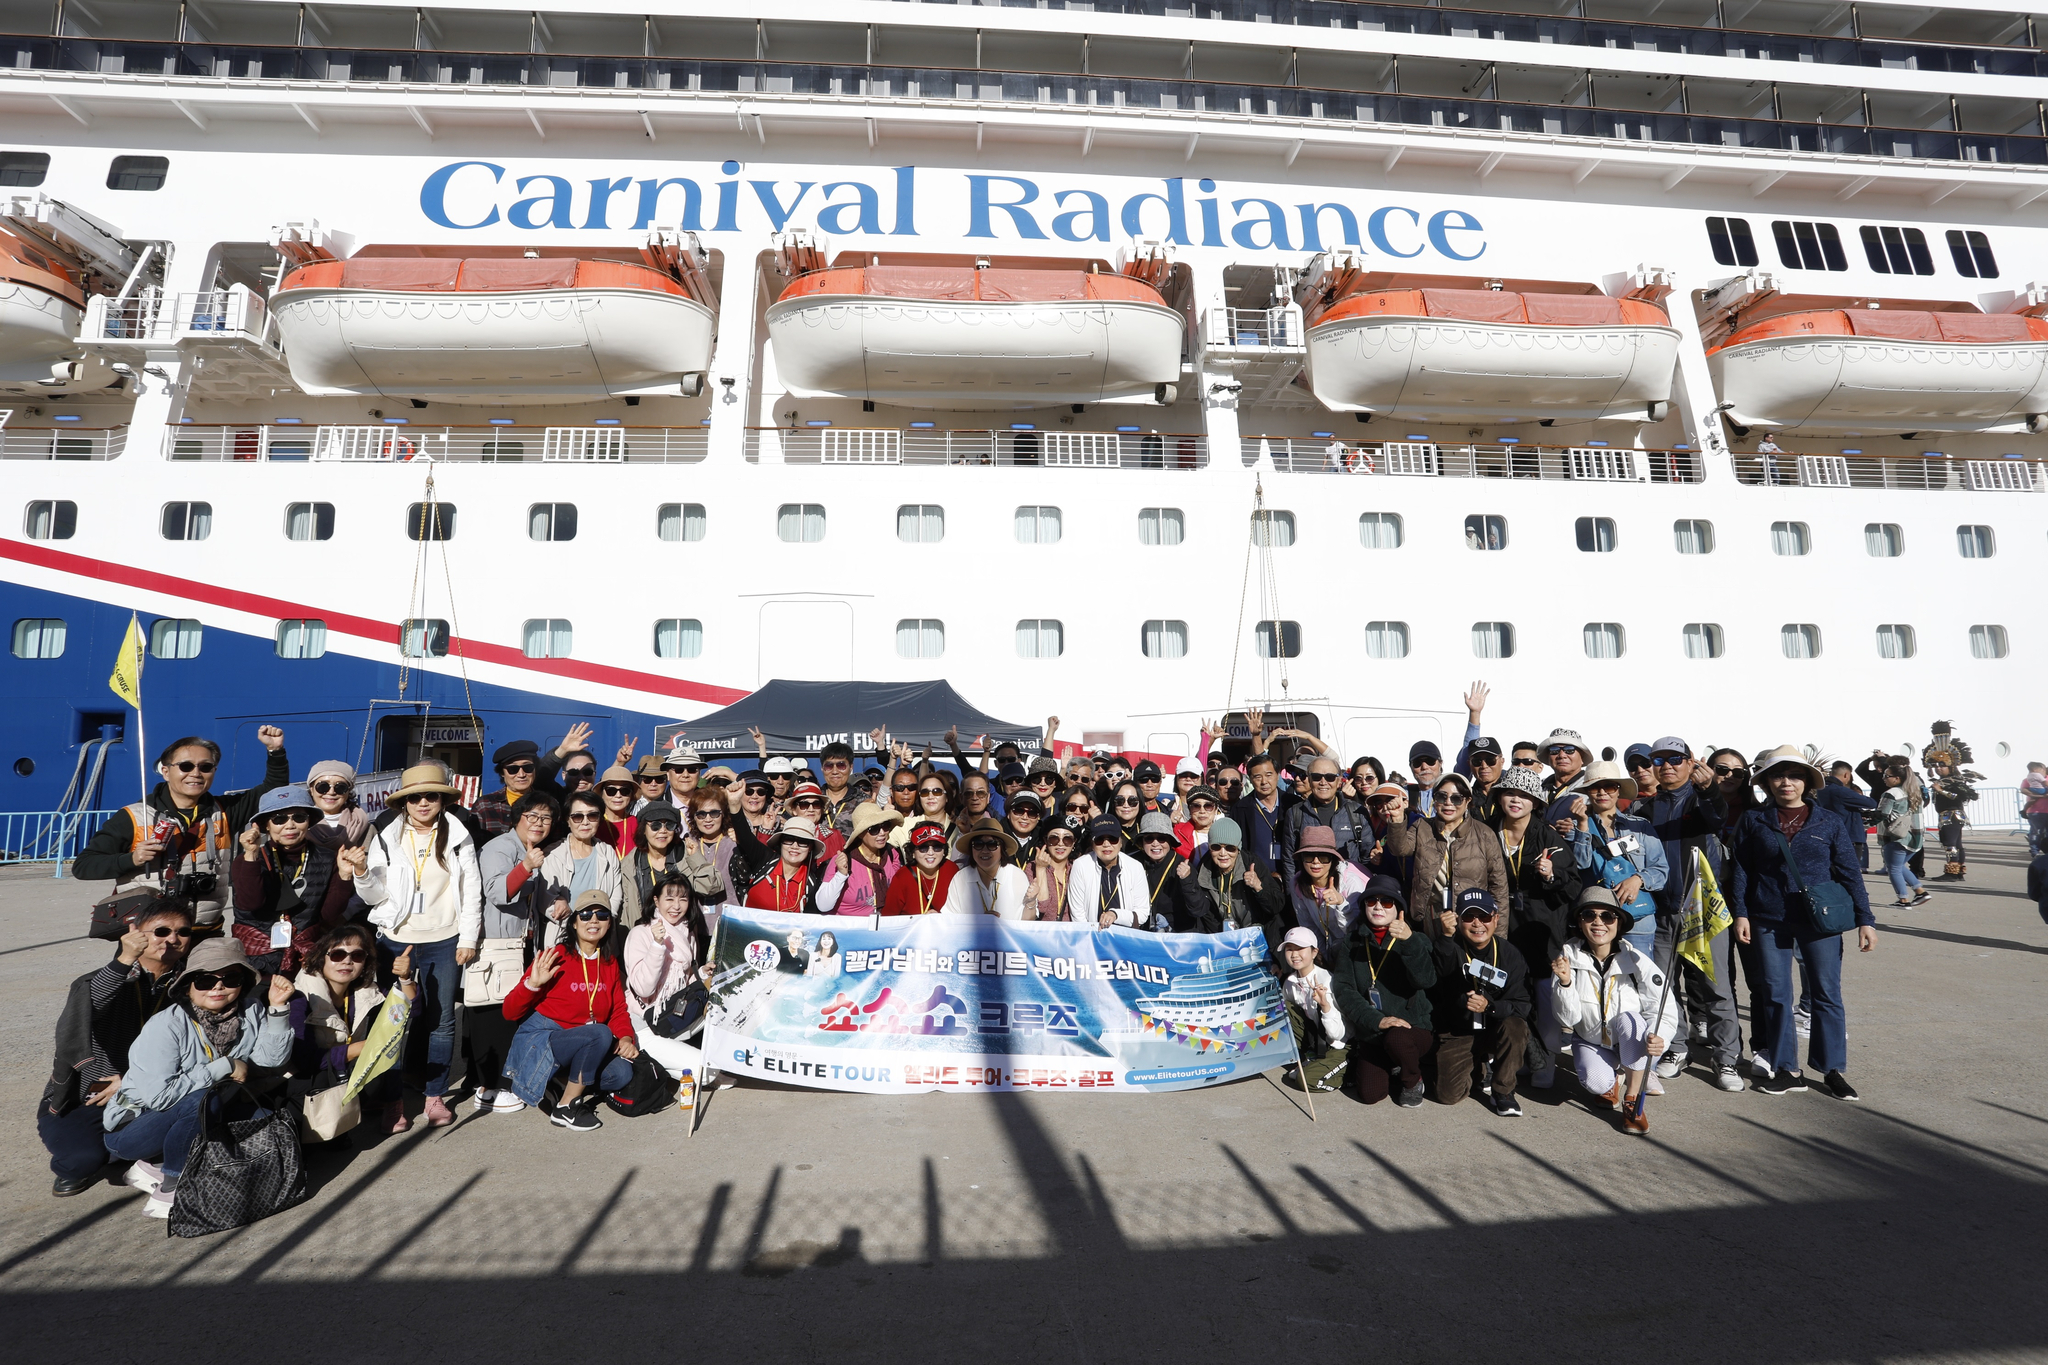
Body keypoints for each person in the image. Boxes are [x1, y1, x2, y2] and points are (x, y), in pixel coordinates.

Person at [102, 936, 295, 1217]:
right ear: (187, 985)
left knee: (266, 1120)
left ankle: (151, 1165)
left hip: (206, 1108)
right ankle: (171, 1186)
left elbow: (271, 1060)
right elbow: (160, 1097)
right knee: (202, 1100)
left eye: (230, 978)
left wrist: (277, 1008)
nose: (218, 987)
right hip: (134, 1129)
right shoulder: (166, 1025)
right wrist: (224, 1066)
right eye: (205, 980)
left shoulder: (251, 1010)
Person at [1724, 745, 1876, 1100]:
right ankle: (1786, 1068)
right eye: (1778, 775)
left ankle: (1832, 1068)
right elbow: (1744, 869)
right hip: (1768, 918)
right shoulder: (1754, 820)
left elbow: (1850, 872)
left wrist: (1866, 919)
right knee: (1775, 994)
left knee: (1826, 994)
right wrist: (1742, 913)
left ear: (1807, 781)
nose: (1785, 782)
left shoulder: (1829, 821)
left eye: (1793, 775)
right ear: (1767, 782)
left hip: (1818, 919)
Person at [356, 763, 484, 1128]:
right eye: (415, 797)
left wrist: (468, 937)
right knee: (395, 1023)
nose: (423, 802)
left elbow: (471, 890)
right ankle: (393, 1102)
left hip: (445, 940)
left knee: (441, 1022)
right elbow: (374, 894)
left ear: (443, 799)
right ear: (404, 803)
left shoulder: (458, 835)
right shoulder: (386, 836)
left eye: (432, 795)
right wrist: (363, 873)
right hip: (396, 941)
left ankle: (434, 1095)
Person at [39, 904, 193, 1196]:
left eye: (182, 932)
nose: (171, 939)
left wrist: (133, 1079)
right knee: (81, 1161)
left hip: (156, 1090)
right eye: (161, 931)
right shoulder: (110, 978)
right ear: (136, 933)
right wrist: (124, 959)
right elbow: (87, 1008)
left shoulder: (192, 984)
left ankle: (132, 1147)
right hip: (92, 1094)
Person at [74, 728, 291, 926]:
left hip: (205, 930)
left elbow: (272, 790)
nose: (195, 773)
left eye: (205, 767)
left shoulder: (225, 811)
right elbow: (83, 866)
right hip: (150, 935)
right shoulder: (133, 816)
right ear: (166, 771)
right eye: (185, 766)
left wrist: (275, 750)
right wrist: (132, 859)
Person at [1630, 738, 1743, 1093]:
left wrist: (1709, 788)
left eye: (1675, 759)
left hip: (1703, 911)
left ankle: (1727, 1059)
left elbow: (1717, 816)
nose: (1666, 766)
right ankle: (1676, 1049)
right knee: (1663, 989)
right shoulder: (1646, 809)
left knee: (1717, 989)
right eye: (1658, 759)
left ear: (1690, 761)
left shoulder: (1702, 799)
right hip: (1662, 912)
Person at [502, 889, 641, 1132]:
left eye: (602, 915)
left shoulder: (608, 962)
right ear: (574, 922)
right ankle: (566, 1106)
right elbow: (509, 1012)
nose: (594, 920)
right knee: (600, 1033)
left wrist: (627, 1037)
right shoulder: (556, 956)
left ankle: (557, 1083)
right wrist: (532, 985)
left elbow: (618, 1008)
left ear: (610, 923)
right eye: (586, 914)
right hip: (545, 1037)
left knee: (621, 1074)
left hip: (585, 1043)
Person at [1550, 886, 1679, 1134]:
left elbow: (1662, 1006)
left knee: (1632, 1020)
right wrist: (1565, 983)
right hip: (1590, 1040)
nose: (1598, 922)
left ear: (1618, 923)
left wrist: (1658, 1035)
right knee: (1596, 1084)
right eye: (1589, 915)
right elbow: (1568, 1019)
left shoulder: (1636, 960)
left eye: (1607, 916)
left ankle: (1632, 1101)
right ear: (1580, 921)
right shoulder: (1567, 958)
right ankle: (1613, 1079)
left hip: (1627, 1039)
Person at [286, 923, 416, 1142]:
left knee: (390, 1037)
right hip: (302, 1080)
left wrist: (405, 978)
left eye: (357, 955)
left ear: (365, 962)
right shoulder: (300, 996)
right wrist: (357, 1049)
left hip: (336, 1072)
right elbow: (303, 1060)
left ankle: (384, 1103)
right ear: (321, 958)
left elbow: (409, 1011)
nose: (347, 961)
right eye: (337, 954)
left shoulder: (364, 991)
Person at [473, 793, 560, 1115]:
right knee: (491, 1014)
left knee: (511, 1011)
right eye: (532, 816)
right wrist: (525, 867)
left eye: (546, 818)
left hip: (520, 944)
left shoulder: (530, 850)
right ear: (517, 818)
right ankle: (488, 1088)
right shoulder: (500, 848)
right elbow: (496, 892)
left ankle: (498, 1083)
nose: (539, 823)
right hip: (496, 943)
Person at [228, 785, 359, 976]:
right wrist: (250, 855)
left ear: (309, 821)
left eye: (299, 817)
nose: (290, 825)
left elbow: (328, 916)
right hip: (256, 958)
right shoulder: (248, 859)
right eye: (279, 819)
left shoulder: (327, 858)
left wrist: (345, 875)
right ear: (266, 825)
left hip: (305, 957)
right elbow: (250, 903)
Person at [1327, 876, 1435, 1107]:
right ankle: (1397, 1065)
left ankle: (1412, 1079)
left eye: (1387, 902)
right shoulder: (1352, 941)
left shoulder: (1417, 940)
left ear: (1398, 909)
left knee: (1397, 1038)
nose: (1378, 906)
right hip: (1374, 1031)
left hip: (1411, 1028)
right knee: (1370, 1094)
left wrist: (1408, 942)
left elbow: (1426, 980)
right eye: (1371, 901)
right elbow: (1344, 988)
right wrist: (1377, 1020)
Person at [1426, 889, 1531, 1116]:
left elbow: (1521, 1005)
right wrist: (1444, 937)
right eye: (1468, 917)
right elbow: (1441, 971)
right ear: (1457, 920)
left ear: (1496, 918)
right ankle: (1478, 1067)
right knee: (1448, 1096)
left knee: (1516, 1026)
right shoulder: (1448, 946)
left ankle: (1503, 1091)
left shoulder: (1510, 954)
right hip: (1458, 1031)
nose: (1477, 924)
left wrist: (1490, 1007)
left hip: (1494, 1026)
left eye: (1484, 917)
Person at [1559, 761, 1666, 958]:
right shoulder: (1572, 829)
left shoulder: (1641, 827)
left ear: (1618, 791)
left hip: (1637, 918)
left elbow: (1660, 870)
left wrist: (1638, 879)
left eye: (1608, 786)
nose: (1602, 792)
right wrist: (1583, 825)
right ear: (1588, 792)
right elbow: (1581, 865)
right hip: (1595, 921)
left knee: (1639, 980)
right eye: (1595, 787)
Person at [1381, 773, 1510, 930]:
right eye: (1442, 797)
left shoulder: (1484, 833)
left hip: (1470, 917)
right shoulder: (1422, 826)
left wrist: (1498, 935)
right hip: (1432, 914)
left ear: (1468, 801)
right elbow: (1399, 849)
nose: (1448, 803)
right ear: (1435, 799)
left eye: (1457, 798)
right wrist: (1397, 819)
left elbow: (1499, 888)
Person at [623, 875, 710, 1099]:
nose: (676, 906)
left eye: (683, 899)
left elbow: (684, 981)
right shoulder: (640, 933)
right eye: (669, 899)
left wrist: (701, 974)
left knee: (715, 1060)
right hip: (645, 1023)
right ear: (656, 901)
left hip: (673, 1020)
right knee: (708, 1070)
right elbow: (643, 989)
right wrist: (657, 945)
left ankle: (660, 1067)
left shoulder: (686, 932)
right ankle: (649, 1063)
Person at [536, 790, 625, 949]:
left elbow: (615, 894)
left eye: (592, 816)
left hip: (602, 940)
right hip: (562, 938)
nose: (585, 822)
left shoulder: (608, 852)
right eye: (577, 816)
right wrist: (578, 925)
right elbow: (545, 900)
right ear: (567, 821)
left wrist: (601, 924)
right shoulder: (553, 854)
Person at [1184, 817, 1285, 946]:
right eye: (1216, 847)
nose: (1222, 853)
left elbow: (1276, 906)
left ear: (1238, 848)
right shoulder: (1204, 871)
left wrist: (1259, 887)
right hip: (1224, 942)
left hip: (1258, 938)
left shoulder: (1252, 864)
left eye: (1230, 848)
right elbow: (1203, 915)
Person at [1277, 927, 1349, 1092]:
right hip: (1316, 1039)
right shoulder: (1290, 982)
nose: (1294, 955)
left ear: (1314, 952)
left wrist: (1325, 1005)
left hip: (1339, 1043)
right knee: (1285, 1008)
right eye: (1289, 949)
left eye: (1300, 948)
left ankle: (1347, 1074)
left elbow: (1337, 1033)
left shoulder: (1327, 980)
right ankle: (1312, 1057)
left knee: (1306, 1081)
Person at [1280, 756, 1369, 882]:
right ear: (1310, 780)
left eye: (1330, 777)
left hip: (1349, 893)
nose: (1323, 782)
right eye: (1316, 777)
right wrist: (1293, 895)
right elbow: (1289, 860)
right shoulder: (1295, 813)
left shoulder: (1356, 812)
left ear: (1339, 781)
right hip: (1309, 893)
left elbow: (1367, 858)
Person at [1288, 825, 1369, 958]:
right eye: (1309, 856)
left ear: (1333, 859)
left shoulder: (1350, 882)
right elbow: (1309, 926)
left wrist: (1342, 903)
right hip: (1328, 947)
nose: (1315, 862)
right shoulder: (1297, 883)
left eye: (1323, 857)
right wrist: (1324, 960)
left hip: (1358, 949)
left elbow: (1357, 930)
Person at [743, 817, 846, 913]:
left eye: (803, 841)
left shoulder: (811, 883)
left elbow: (823, 909)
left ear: (810, 848)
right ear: (781, 842)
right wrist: (734, 804)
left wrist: (841, 875)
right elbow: (742, 832)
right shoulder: (764, 862)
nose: (794, 846)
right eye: (789, 839)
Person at [1069, 818, 1151, 927]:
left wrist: (1116, 915)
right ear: (1092, 844)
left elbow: (1143, 912)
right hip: (1092, 936)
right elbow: (1077, 913)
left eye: (1112, 839)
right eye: (1099, 839)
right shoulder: (1081, 865)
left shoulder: (1135, 867)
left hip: (1125, 936)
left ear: (1121, 842)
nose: (1106, 844)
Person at [944, 820, 1032, 918]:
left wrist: (1031, 902)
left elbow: (1026, 924)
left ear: (1002, 848)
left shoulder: (1016, 876)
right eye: (978, 844)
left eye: (992, 844)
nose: (985, 851)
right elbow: (950, 920)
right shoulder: (960, 878)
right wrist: (981, 923)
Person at [1229, 751, 1295, 879]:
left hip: (1291, 877)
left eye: (1269, 775)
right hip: (1256, 878)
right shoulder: (1240, 809)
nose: (1264, 781)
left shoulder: (1293, 804)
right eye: (1257, 777)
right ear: (1250, 779)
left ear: (1277, 775)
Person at [1133, 812, 1202, 931]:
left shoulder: (1183, 865)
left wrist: (1187, 881)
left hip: (1177, 935)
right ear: (1142, 842)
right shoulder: (1133, 864)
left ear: (1170, 841)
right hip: (1142, 932)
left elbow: (1198, 910)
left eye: (1161, 838)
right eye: (1149, 838)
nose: (1155, 843)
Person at [1876, 762, 1931, 908]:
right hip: (1916, 837)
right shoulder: (1914, 792)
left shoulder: (1892, 793)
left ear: (1897, 778)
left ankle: (1903, 900)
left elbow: (1881, 814)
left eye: (1887, 776)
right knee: (1898, 866)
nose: (1884, 779)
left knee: (1893, 868)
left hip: (1897, 836)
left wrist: (1864, 822)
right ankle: (1920, 891)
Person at [838, 803, 904, 915]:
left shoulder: (892, 854)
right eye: (874, 829)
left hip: (884, 924)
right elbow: (823, 905)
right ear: (860, 834)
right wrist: (840, 875)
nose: (882, 833)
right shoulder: (844, 859)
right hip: (849, 929)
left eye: (885, 826)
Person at [1813, 761, 1878, 872]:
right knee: (1850, 872)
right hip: (1849, 835)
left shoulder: (1822, 789)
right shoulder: (1841, 791)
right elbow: (1871, 803)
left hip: (1831, 832)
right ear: (1846, 775)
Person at [886, 822, 960, 915]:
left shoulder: (951, 870)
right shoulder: (902, 877)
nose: (930, 852)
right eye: (923, 847)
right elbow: (888, 918)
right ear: (912, 852)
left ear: (944, 851)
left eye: (937, 847)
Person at [473, 740, 543, 838]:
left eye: (528, 767)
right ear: (502, 772)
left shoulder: (546, 805)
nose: (521, 774)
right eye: (513, 769)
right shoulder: (484, 806)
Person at [304, 760, 371, 851]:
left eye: (340, 787)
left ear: (348, 791)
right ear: (311, 789)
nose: (331, 792)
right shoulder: (300, 824)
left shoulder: (363, 824)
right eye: (323, 786)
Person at [1026, 816, 1078, 920]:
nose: (1060, 843)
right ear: (1046, 840)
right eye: (1054, 838)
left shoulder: (1077, 870)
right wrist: (1041, 869)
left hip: (1071, 933)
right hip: (1043, 933)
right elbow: (1041, 907)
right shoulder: (1032, 867)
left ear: (1074, 843)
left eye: (1067, 839)